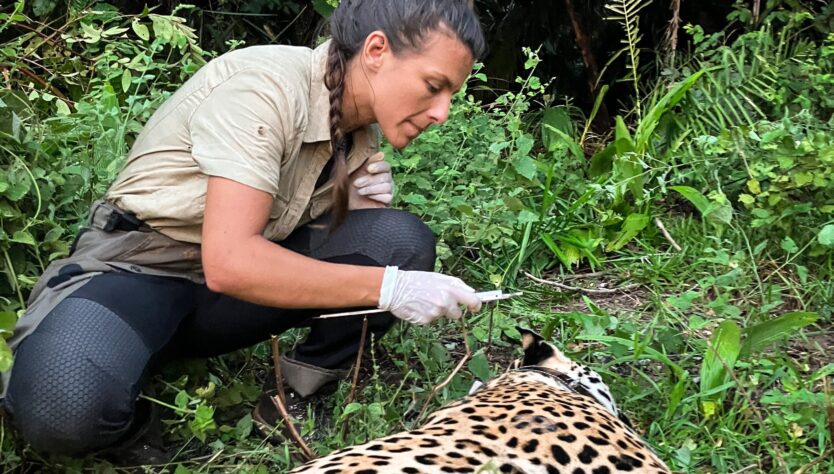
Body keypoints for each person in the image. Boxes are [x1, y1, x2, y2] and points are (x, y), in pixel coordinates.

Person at [0, 0, 486, 458]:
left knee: (397, 241)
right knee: (59, 407)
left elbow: (272, 228)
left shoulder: (358, 125)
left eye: (450, 95)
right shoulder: (265, 88)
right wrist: (391, 286)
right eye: (433, 85)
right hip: (138, 268)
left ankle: (294, 395)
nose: (442, 112)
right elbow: (231, 261)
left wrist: (349, 209)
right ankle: (128, 419)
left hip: (224, 296)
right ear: (377, 51)